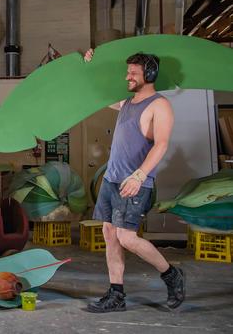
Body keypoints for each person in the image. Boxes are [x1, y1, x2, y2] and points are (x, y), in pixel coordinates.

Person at [84, 49, 185, 312]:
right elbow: (100, 93)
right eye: (127, 71)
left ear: (149, 75)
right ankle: (116, 294)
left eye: (133, 73)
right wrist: (92, 64)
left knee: (127, 238)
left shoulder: (160, 105)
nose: (127, 76)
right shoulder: (127, 103)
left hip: (135, 181)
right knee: (110, 234)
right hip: (112, 179)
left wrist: (140, 176)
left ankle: (171, 274)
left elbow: (161, 145)